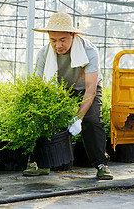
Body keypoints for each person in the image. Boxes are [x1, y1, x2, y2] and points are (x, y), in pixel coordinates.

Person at [23, 11, 113, 180]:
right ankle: (38, 163)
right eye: (53, 40)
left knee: (92, 120)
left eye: (62, 40)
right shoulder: (44, 54)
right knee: (42, 117)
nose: (58, 45)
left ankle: (101, 165)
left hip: (85, 88)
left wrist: (78, 117)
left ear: (72, 35)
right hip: (60, 88)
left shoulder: (89, 51)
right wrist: (36, 108)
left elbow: (91, 90)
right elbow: (38, 86)